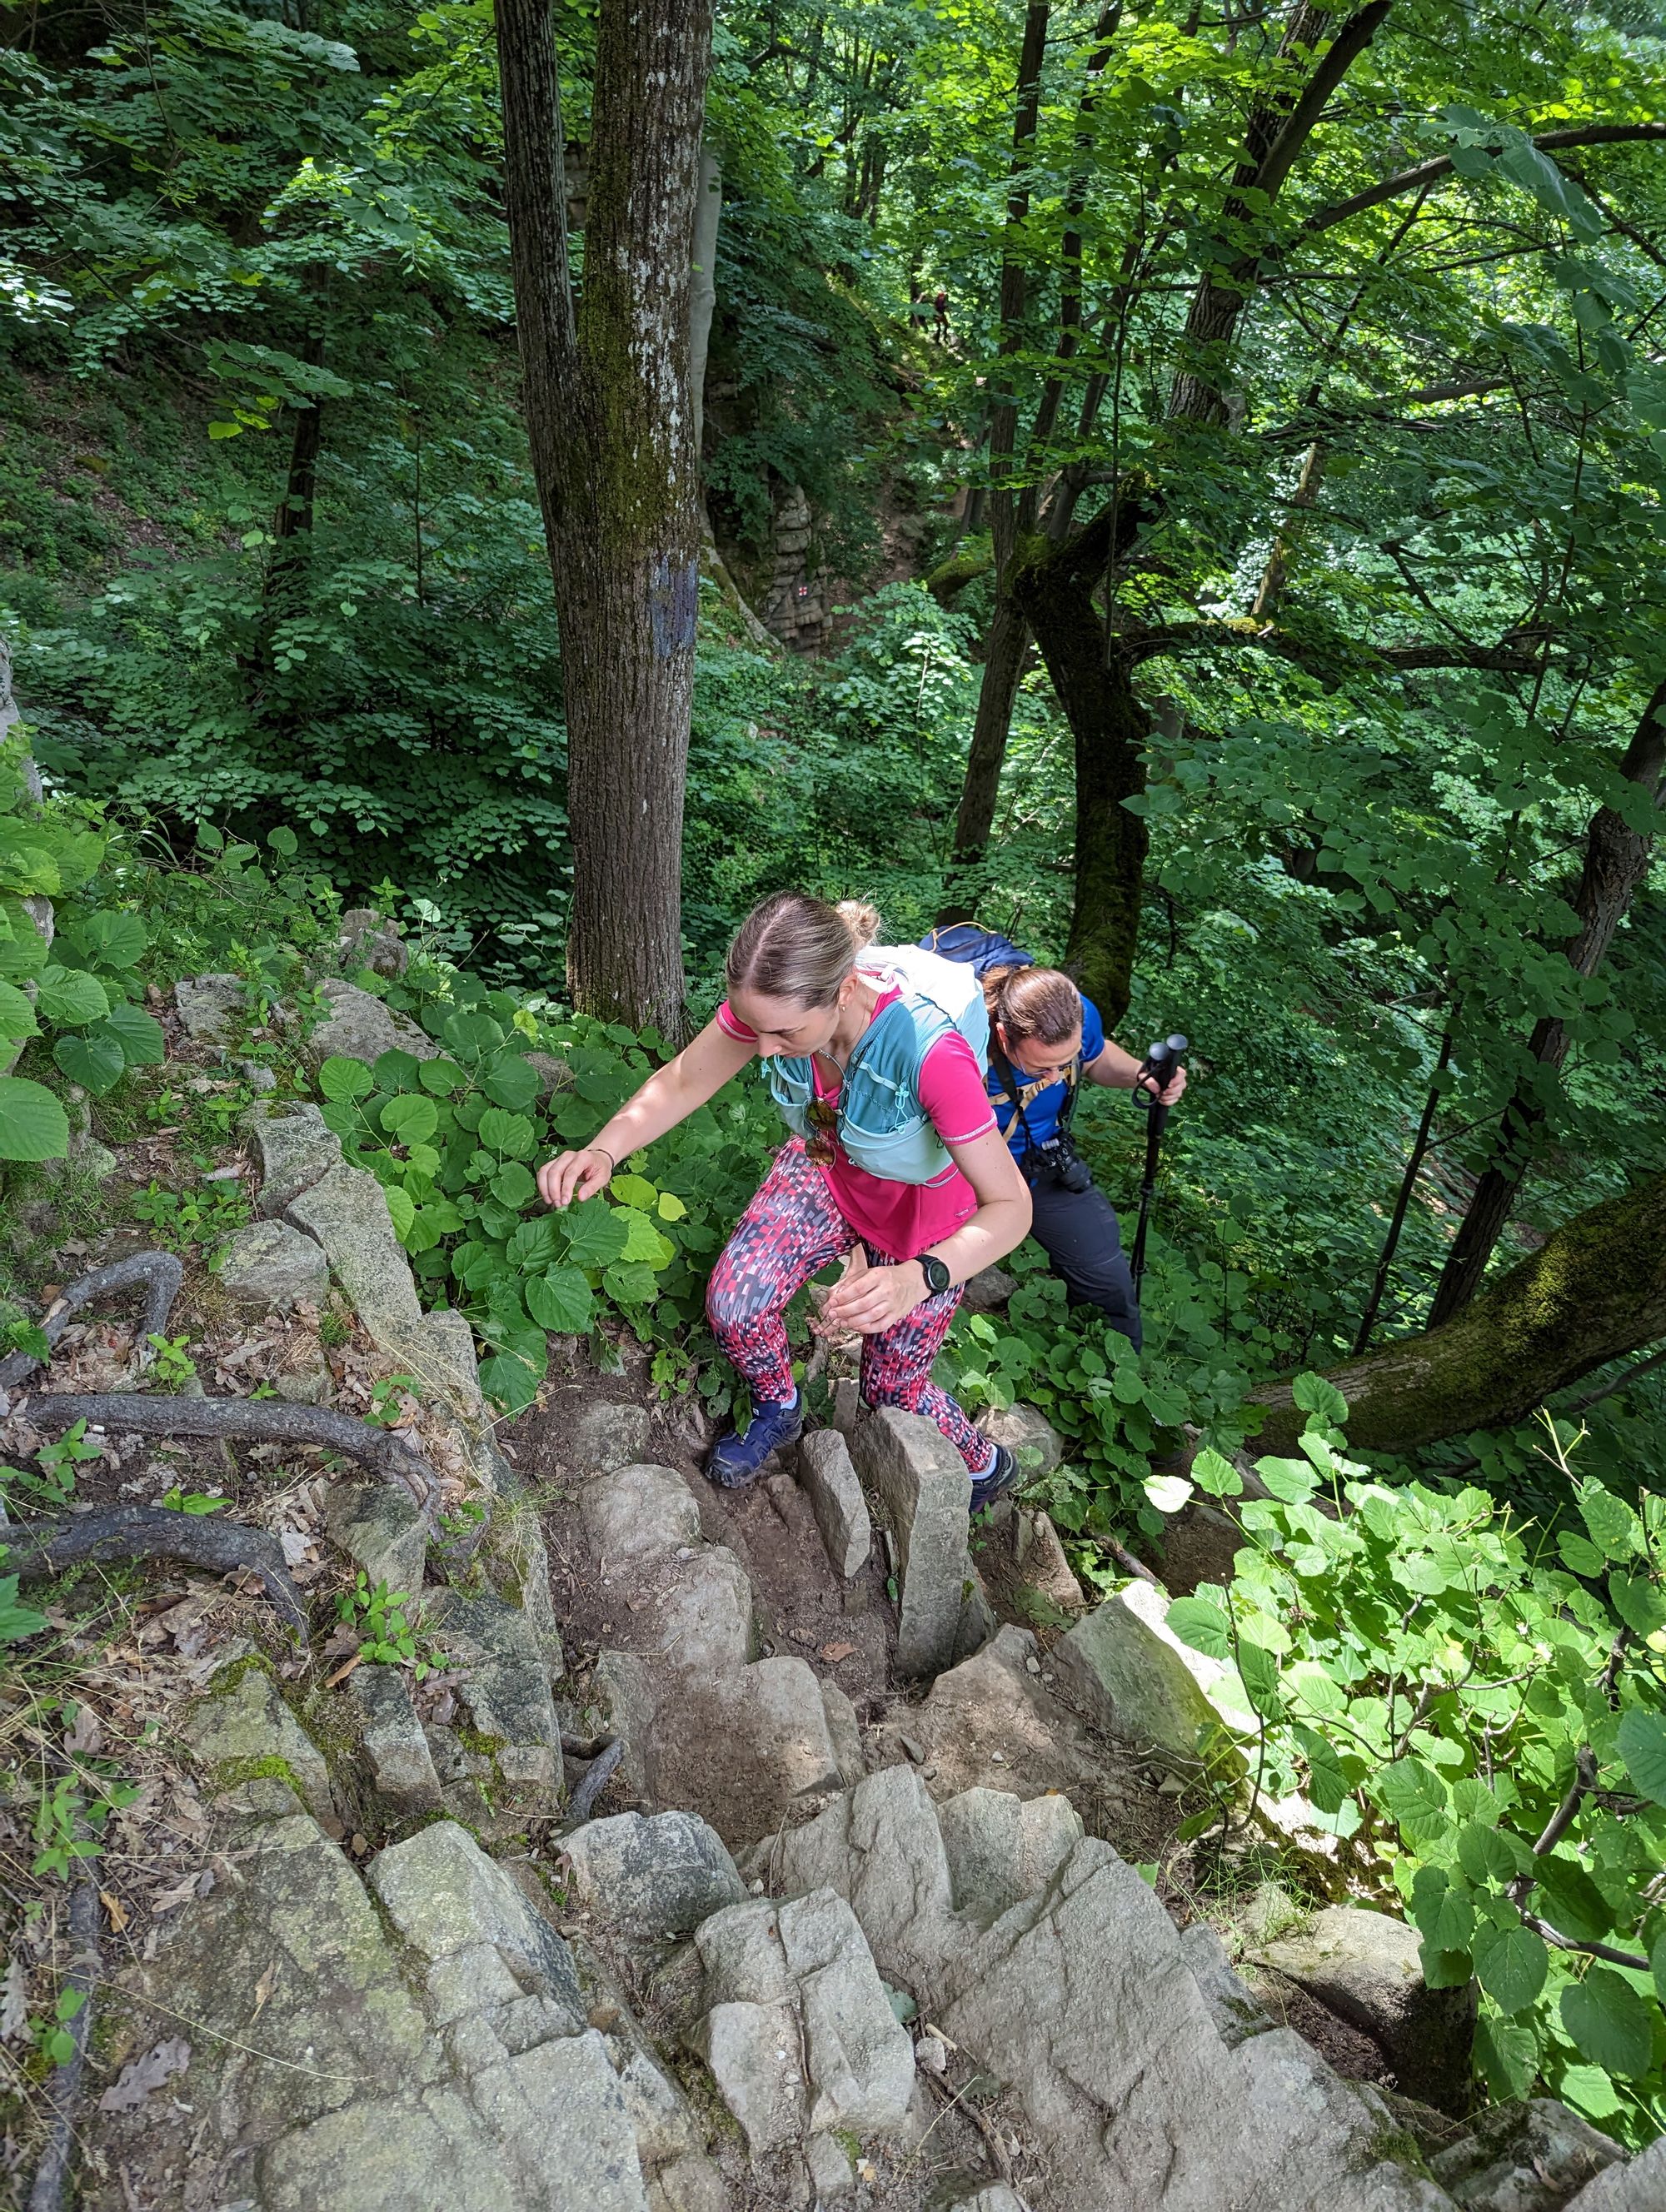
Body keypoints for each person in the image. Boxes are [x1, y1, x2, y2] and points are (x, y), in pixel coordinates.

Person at [535, 894, 1034, 1506]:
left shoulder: (929, 1053)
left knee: (894, 1394)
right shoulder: (772, 1015)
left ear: (845, 989)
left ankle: (986, 1466)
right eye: (756, 1028)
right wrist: (604, 1151)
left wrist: (916, 1279)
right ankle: (779, 1405)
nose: (764, 1048)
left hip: (924, 1216)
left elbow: (1011, 1207)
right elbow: (687, 1078)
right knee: (736, 1301)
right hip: (828, 1165)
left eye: (785, 1032)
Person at [980, 960, 1187, 1350]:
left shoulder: (1077, 1014)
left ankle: (1118, 1371)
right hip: (964, 1171)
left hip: (1041, 1164)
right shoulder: (965, 1039)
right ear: (1004, 1037)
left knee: (1105, 1274)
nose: (1057, 1077)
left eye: (1064, 1061)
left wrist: (1147, 1077)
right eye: (1043, 1066)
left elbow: (1097, 1058)